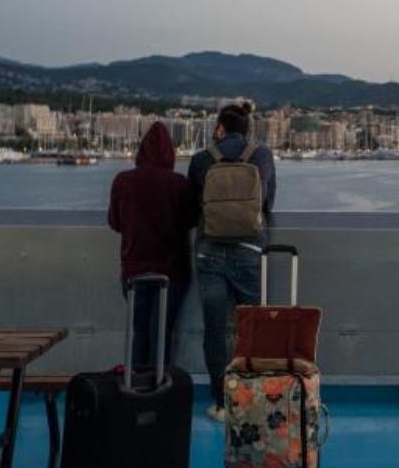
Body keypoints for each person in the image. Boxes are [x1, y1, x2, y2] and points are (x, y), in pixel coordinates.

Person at [188, 102, 276, 422]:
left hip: (208, 252)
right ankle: (250, 398)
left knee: (214, 330)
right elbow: (267, 203)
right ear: (248, 127)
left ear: (219, 128)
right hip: (248, 251)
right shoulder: (262, 156)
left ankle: (221, 402)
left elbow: (189, 210)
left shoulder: (201, 159)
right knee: (252, 327)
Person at [107, 121, 194, 368]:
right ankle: (158, 391)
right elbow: (189, 221)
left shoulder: (122, 181)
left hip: (134, 270)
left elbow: (114, 222)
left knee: (140, 332)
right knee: (161, 334)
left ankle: (135, 387)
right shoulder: (178, 183)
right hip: (172, 271)